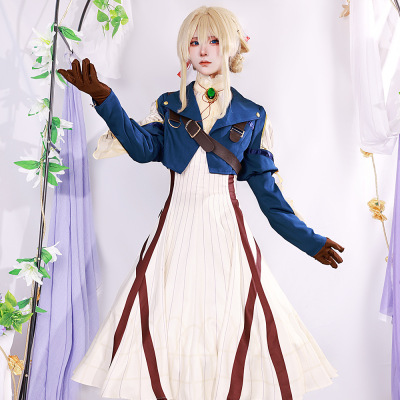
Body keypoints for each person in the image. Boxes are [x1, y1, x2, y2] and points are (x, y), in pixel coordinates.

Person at [59, 6, 344, 400]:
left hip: (227, 233)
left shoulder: (252, 115)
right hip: (173, 233)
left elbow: (269, 196)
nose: (204, 50)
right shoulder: (169, 105)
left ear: (231, 46)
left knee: (232, 326)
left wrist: (310, 241)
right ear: (185, 50)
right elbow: (142, 149)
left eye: (213, 40)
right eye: (195, 42)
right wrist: (105, 99)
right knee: (163, 325)